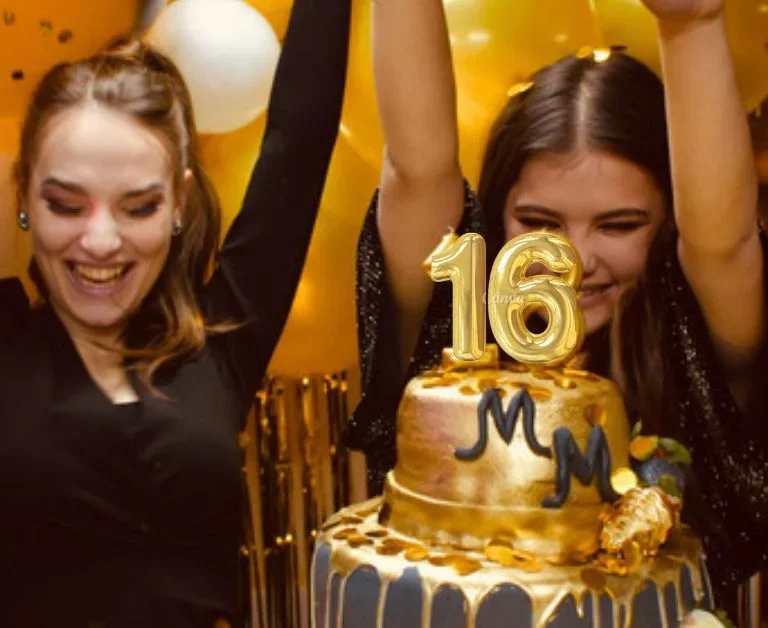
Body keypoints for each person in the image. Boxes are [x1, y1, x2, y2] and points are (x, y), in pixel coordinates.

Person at [346, 0, 767, 615]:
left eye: (618, 225)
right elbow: (418, 169)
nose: (572, 260)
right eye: (539, 221)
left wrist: (691, 22)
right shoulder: (455, 326)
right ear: (495, 215)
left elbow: (722, 244)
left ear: (670, 221)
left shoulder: (693, 341)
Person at [0, 0, 350, 623]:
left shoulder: (217, 343)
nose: (101, 242)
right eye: (65, 204)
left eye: (137, 207)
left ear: (180, 202)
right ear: (25, 191)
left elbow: (301, 134)